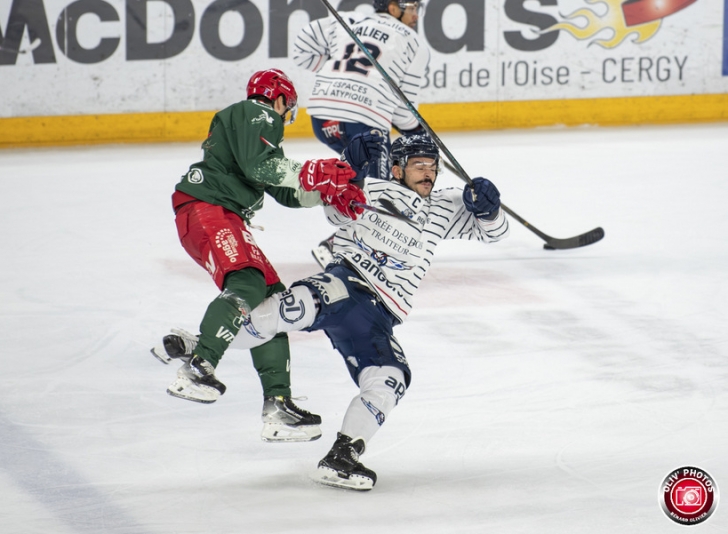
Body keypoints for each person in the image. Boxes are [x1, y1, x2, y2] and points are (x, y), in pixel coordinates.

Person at [163, 132, 509, 489]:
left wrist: (489, 207)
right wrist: (353, 172)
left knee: (392, 377)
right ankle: (202, 347)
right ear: (395, 168)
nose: (428, 174)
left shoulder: (445, 206)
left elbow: (495, 233)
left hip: (380, 316)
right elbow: (335, 216)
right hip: (347, 283)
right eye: (418, 165)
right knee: (288, 311)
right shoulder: (371, 189)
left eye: (433, 167)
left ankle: (342, 456)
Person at [151, 68, 361, 444]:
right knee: (247, 282)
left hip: (216, 214)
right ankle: (199, 366)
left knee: (272, 302)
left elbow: (280, 188)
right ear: (278, 99)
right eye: (288, 107)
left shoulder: (253, 131)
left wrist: (326, 190)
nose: (286, 115)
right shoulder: (258, 113)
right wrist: (317, 172)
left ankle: (278, 404)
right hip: (210, 208)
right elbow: (262, 168)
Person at [292, 0, 431, 267]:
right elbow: (404, 112)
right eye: (412, 8)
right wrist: (418, 136)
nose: (416, 15)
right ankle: (340, 247)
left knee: (368, 181)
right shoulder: (414, 43)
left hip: (324, 117)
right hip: (365, 121)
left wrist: (332, 69)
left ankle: (361, 232)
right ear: (393, 8)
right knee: (387, 189)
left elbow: (302, 48)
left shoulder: (347, 19)